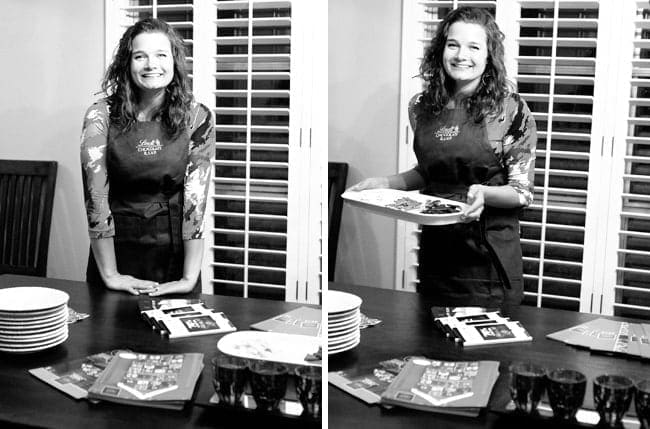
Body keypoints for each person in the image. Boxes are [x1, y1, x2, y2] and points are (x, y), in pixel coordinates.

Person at [349, 7, 536, 308]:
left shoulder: (510, 110)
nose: (462, 55)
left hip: (489, 257)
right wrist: (383, 183)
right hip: (437, 253)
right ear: (441, 49)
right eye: (453, 44)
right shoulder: (422, 107)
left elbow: (522, 192)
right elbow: (428, 173)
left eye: (474, 47)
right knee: (432, 347)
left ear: (489, 56)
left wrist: (483, 193)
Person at [80, 18, 215, 297]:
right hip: (115, 253)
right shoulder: (99, 116)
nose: (151, 64)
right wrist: (110, 274)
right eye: (140, 56)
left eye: (161, 55)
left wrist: (189, 278)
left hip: (175, 254)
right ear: (127, 64)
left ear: (174, 61)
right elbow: (96, 198)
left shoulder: (197, 116)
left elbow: (195, 202)